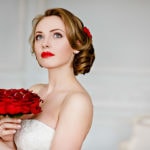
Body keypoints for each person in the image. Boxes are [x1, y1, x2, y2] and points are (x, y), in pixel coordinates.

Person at [0, 7, 95, 150]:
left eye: (57, 35)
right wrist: (7, 139)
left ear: (77, 45)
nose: (45, 43)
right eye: (39, 36)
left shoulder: (77, 101)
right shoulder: (35, 91)